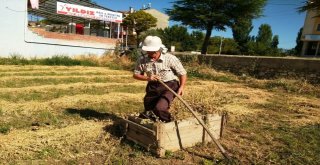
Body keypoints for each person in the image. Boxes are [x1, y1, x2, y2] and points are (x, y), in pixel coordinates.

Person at [133, 36, 187, 122]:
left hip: (170, 86)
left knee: (160, 108)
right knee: (149, 111)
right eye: (147, 51)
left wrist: (181, 87)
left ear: (158, 49)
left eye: (151, 51)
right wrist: (148, 78)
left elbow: (182, 73)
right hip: (153, 87)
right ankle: (153, 125)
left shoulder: (170, 58)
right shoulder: (142, 60)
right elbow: (136, 75)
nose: (149, 53)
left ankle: (168, 124)